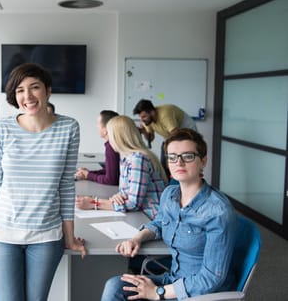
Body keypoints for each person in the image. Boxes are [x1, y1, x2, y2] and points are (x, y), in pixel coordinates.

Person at [0, 63, 86, 301]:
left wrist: (69, 236)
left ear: (48, 91)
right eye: (20, 90)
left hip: (46, 236)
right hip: (3, 234)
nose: (27, 96)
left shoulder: (69, 127)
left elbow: (66, 186)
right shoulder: (3, 129)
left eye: (34, 87)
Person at [101, 129, 237, 301]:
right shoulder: (170, 194)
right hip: (173, 279)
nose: (178, 162)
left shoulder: (217, 211)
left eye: (187, 156)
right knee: (115, 286)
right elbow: (159, 223)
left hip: (200, 294)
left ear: (203, 161)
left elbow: (212, 278)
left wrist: (158, 293)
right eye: (172, 157)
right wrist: (137, 238)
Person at [76, 116, 167, 219]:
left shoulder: (138, 160)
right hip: (140, 215)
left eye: (109, 135)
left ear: (118, 137)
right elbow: (127, 194)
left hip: (152, 218)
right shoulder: (126, 158)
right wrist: (118, 196)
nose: (108, 140)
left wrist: (94, 203)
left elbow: (133, 204)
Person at [133, 99, 197, 176]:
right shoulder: (148, 121)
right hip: (171, 136)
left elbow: (175, 134)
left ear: (152, 112)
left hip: (186, 130)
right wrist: (144, 132)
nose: (142, 120)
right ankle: (168, 184)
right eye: (140, 117)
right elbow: (151, 138)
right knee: (165, 164)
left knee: (179, 160)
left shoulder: (165, 114)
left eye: (144, 116)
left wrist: (170, 155)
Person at [75, 110, 120, 186]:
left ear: (105, 130)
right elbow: (110, 171)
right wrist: (89, 173)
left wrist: (88, 175)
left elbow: (111, 180)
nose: (97, 126)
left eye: (98, 124)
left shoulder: (111, 147)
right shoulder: (115, 143)